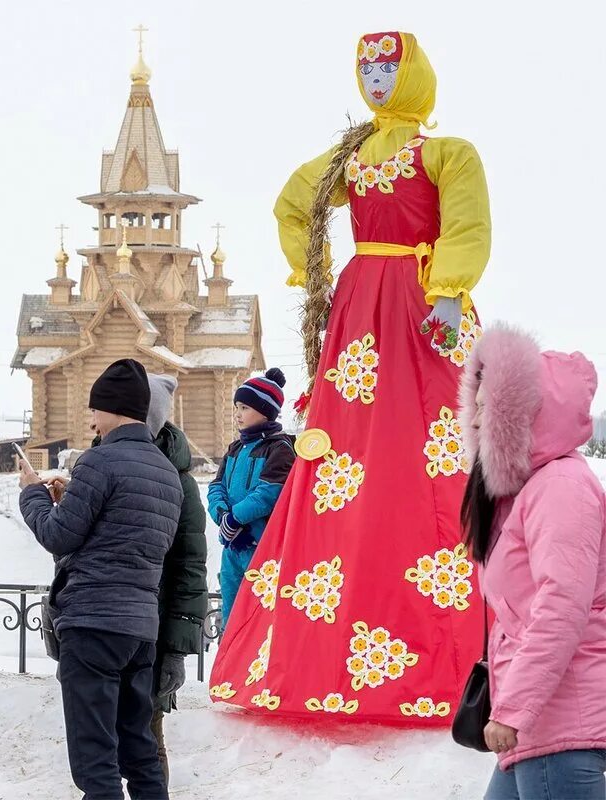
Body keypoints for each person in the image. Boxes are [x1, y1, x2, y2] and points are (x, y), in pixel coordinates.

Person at [209, 31, 492, 723]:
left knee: (432, 437)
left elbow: (467, 220)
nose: (375, 78)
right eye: (366, 67)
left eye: (388, 68)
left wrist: (450, 288)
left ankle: (447, 634)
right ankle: (334, 635)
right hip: (360, 304)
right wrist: (313, 278)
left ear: (413, 76)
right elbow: (292, 201)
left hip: (417, 298)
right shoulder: (348, 157)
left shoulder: (444, 153)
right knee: (352, 445)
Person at [19, 358, 182, 800]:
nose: (90, 417)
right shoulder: (167, 473)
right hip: (140, 627)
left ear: (112, 408)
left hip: (92, 622)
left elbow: (59, 535)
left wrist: (33, 493)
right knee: (139, 749)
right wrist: (72, 498)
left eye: (94, 408)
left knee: (95, 757)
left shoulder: (99, 460)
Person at [459, 326, 606, 799]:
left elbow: (561, 608)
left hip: (560, 725)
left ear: (521, 413)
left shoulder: (561, 486)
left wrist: (513, 707)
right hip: (540, 724)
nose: (476, 421)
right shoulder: (529, 490)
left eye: (486, 408)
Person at [144, 375, 208, 784]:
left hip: (153, 632)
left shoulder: (180, 483)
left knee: (148, 739)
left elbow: (190, 569)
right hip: (106, 630)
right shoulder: (96, 464)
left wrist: (176, 651)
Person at [206, 369, 295, 631]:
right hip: (233, 547)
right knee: (231, 618)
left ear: (265, 410)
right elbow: (215, 488)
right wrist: (223, 518)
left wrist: (236, 519)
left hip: (263, 548)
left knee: (260, 619)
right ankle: (228, 662)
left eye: (244, 407)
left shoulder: (279, 448)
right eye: (237, 407)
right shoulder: (234, 449)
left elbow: (268, 493)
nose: (237, 414)